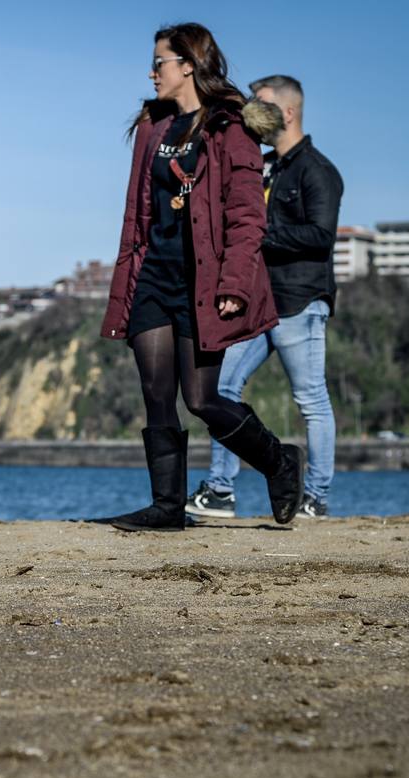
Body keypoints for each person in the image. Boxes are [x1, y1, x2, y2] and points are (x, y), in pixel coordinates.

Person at [97, 23, 303, 531]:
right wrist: (127, 275)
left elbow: (247, 215)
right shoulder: (154, 126)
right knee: (155, 391)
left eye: (160, 62)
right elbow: (138, 210)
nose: (152, 72)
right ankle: (167, 507)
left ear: (187, 65)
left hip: (203, 283)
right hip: (152, 275)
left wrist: (235, 284)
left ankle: (279, 460)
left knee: (201, 399)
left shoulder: (230, 126)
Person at [185, 75, 342, 520]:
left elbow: (321, 234)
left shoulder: (318, 171)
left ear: (287, 113)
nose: (250, 108)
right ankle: (220, 489)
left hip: (299, 301)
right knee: (219, 389)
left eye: (261, 102)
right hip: (257, 301)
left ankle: (316, 496)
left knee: (311, 400)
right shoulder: (261, 162)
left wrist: (261, 232)